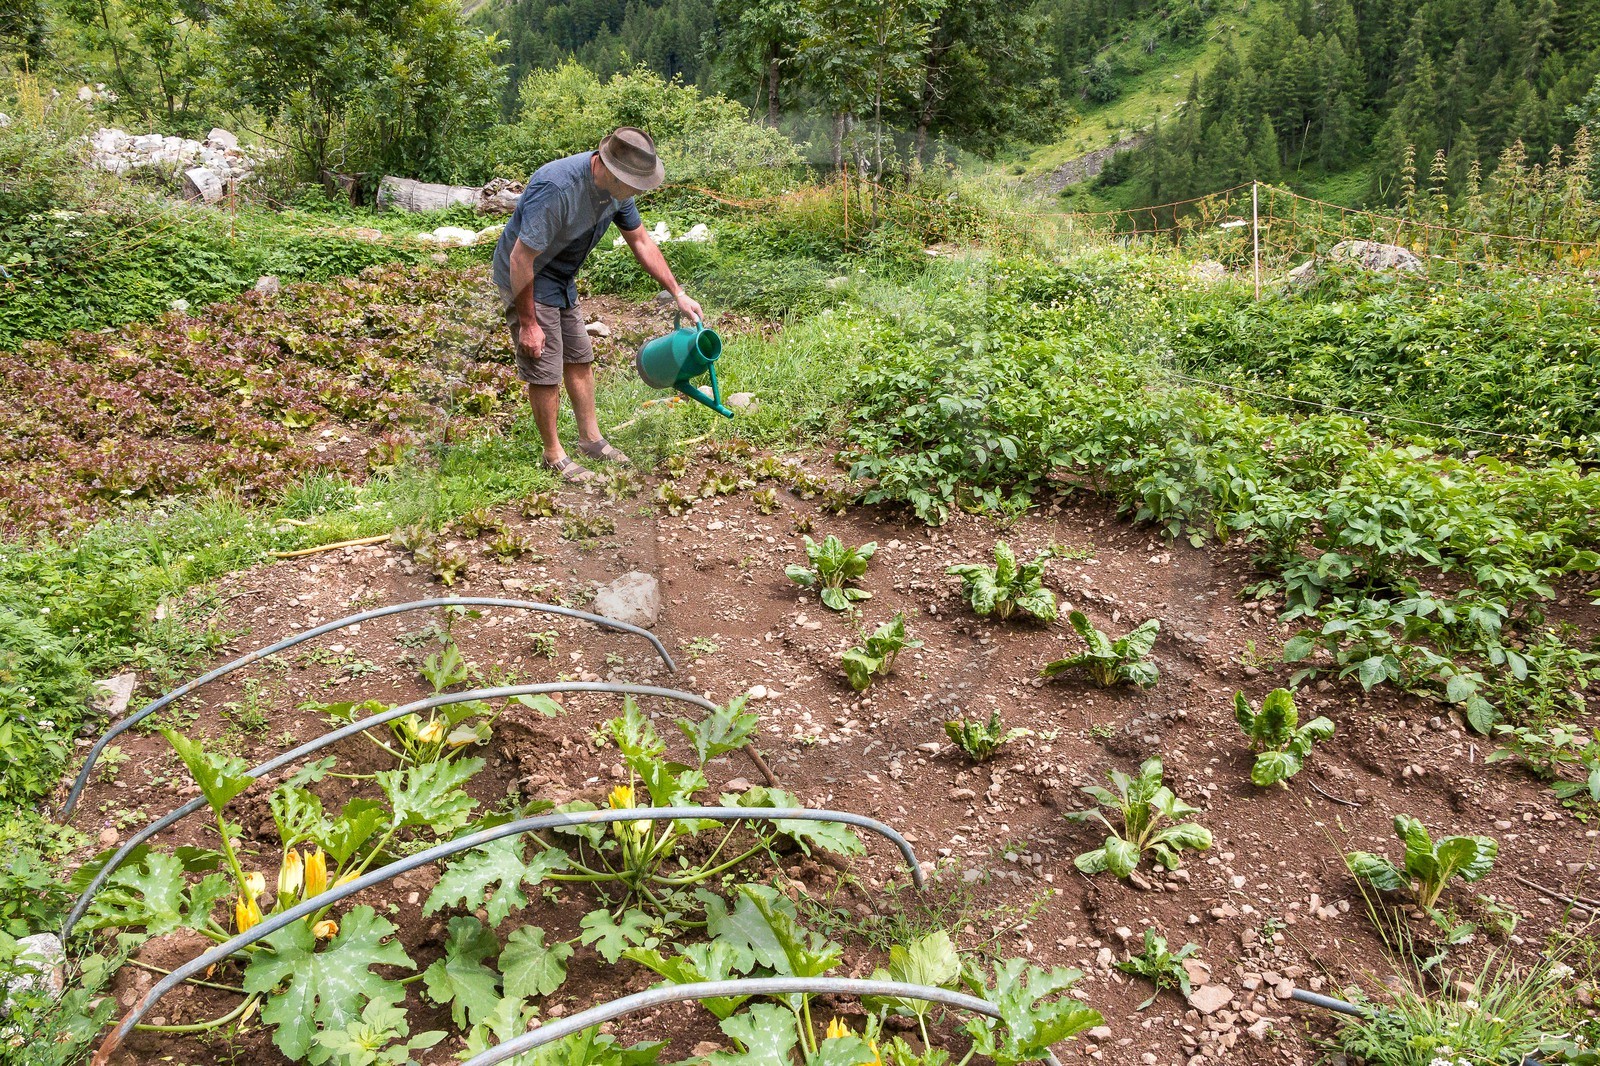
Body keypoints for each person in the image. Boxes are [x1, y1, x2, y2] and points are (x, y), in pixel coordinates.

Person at [492, 126, 704, 483]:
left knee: (580, 355)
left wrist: (678, 292)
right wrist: (529, 323)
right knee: (544, 363)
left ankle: (591, 439)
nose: (634, 191)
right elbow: (520, 258)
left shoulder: (620, 189)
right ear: (605, 166)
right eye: (630, 183)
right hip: (528, 275)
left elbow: (640, 241)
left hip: (561, 276)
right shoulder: (557, 187)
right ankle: (553, 454)